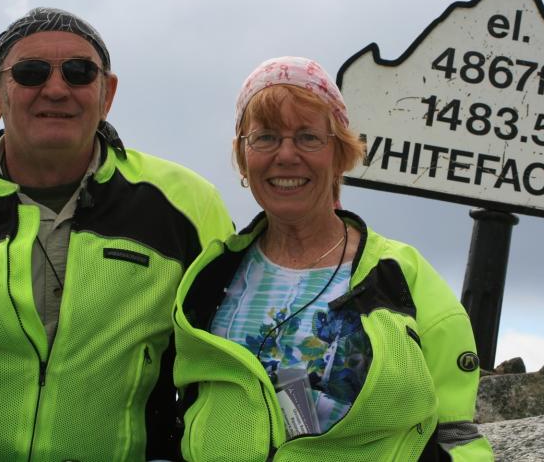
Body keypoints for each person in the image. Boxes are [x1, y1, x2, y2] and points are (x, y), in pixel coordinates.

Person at [0, 7, 233, 461]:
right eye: (31, 72)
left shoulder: (189, 206)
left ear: (107, 93)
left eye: (79, 73)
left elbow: (222, 372)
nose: (56, 89)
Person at [172, 56, 493, 461]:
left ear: (340, 154)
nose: (286, 155)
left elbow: (455, 434)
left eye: (307, 137)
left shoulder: (399, 277)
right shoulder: (211, 276)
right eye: (266, 137)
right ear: (243, 156)